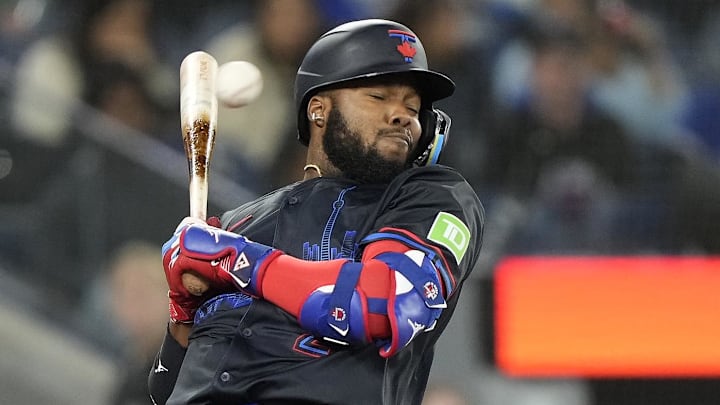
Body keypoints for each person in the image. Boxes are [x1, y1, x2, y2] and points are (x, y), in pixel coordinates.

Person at [148, 19, 484, 405]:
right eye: (379, 97)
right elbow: (164, 391)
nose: (402, 115)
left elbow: (384, 303)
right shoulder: (236, 225)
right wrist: (182, 313)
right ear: (318, 111)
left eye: (413, 107)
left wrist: (239, 261)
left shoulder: (430, 198)